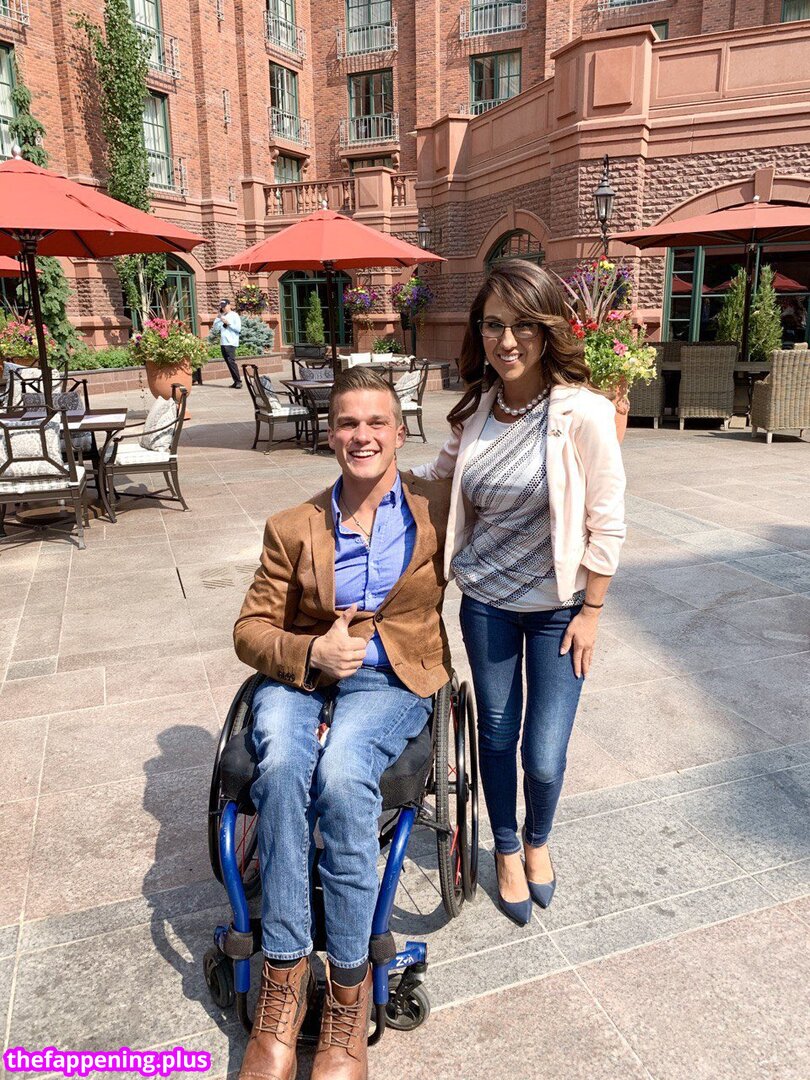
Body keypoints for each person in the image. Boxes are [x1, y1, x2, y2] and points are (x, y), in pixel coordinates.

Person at [233, 366, 451, 1080]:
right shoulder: (292, 526)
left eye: (376, 422)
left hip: (392, 677)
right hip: (303, 676)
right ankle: (285, 978)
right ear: (330, 436)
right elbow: (249, 630)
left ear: (400, 431)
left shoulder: (435, 510)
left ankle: (349, 997)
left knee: (346, 772)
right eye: (348, 423)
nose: (363, 435)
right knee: (282, 767)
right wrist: (311, 653)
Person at [411, 261, 626, 926]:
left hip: (560, 611)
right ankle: (507, 849)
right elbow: (437, 479)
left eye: (522, 325)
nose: (507, 340)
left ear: (547, 329)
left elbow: (608, 521)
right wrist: (368, 469)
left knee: (545, 754)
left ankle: (539, 839)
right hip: (487, 606)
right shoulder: (476, 410)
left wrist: (592, 612)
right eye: (493, 324)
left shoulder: (584, 413)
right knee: (499, 736)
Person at [212, 298, 243, 388]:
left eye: (225, 306)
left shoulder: (234, 315)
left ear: (229, 305)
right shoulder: (221, 316)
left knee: (231, 361)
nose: (223, 308)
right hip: (223, 342)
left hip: (231, 342)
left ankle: (238, 381)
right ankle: (236, 381)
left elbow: (238, 329)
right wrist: (218, 319)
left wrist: (228, 323)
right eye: (222, 307)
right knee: (228, 362)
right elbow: (216, 328)